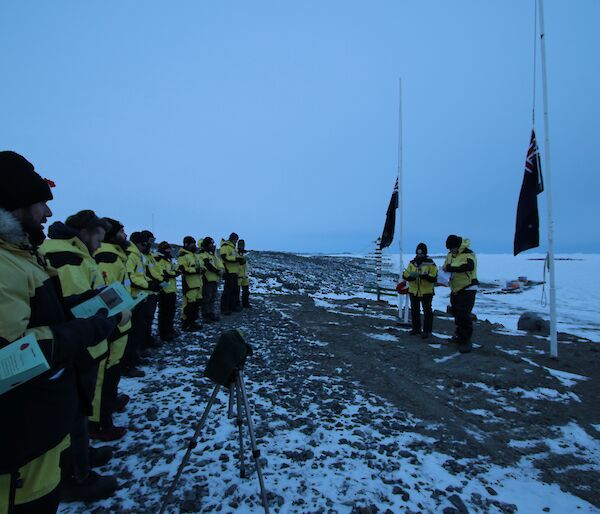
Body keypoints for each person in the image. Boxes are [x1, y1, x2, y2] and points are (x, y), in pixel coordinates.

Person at [0, 151, 123, 514]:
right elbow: (7, 361)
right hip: (15, 463)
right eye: (41, 203)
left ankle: (74, 469)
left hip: (38, 435)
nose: (49, 214)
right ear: (14, 205)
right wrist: (82, 330)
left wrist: (84, 306)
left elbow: (42, 316)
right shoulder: (5, 265)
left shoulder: (20, 256)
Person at [40, 210, 121, 499]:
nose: (101, 245)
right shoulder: (68, 258)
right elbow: (79, 308)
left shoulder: (69, 253)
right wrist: (106, 311)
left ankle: (81, 455)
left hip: (73, 345)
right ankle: (78, 475)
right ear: (85, 232)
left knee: (78, 408)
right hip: (78, 347)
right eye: (99, 236)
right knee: (74, 410)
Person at [92, 218, 133, 440]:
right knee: (104, 372)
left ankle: (110, 402)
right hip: (112, 323)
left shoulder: (116, 255)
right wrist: (116, 316)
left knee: (112, 369)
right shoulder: (108, 257)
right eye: (122, 231)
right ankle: (99, 422)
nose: (125, 235)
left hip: (119, 320)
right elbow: (104, 291)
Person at [443, 235, 478, 353]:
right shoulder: (450, 255)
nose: (450, 251)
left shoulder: (469, 255)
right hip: (455, 288)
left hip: (468, 288)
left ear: (457, 246)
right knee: (457, 313)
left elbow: (469, 267)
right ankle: (459, 336)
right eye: (449, 249)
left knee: (464, 314)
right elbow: (445, 267)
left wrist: (451, 268)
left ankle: (466, 340)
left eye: (452, 248)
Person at [402, 243, 437, 339]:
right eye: (418, 253)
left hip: (426, 291)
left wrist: (423, 276)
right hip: (414, 291)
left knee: (427, 311)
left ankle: (427, 331)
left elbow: (434, 277)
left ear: (425, 253)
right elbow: (405, 274)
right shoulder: (412, 263)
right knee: (414, 310)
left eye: (422, 253)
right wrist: (410, 277)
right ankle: (416, 328)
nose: (420, 255)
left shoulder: (431, 263)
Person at [177, 236, 204, 331]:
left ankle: (193, 321)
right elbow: (183, 269)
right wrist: (196, 270)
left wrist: (202, 269)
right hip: (189, 285)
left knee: (196, 304)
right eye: (192, 244)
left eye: (195, 244)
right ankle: (186, 323)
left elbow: (202, 265)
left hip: (198, 284)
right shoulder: (182, 256)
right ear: (186, 244)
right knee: (188, 305)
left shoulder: (195, 256)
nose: (194, 246)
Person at [155, 241, 179, 341]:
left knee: (171, 311)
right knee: (164, 312)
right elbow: (165, 273)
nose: (169, 251)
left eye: (169, 249)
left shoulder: (168, 259)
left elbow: (175, 269)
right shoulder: (159, 259)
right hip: (164, 290)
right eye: (167, 249)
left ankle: (169, 329)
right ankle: (164, 332)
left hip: (171, 289)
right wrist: (174, 273)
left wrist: (175, 272)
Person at [199, 237, 222, 322]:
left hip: (214, 279)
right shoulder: (202, 255)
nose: (212, 246)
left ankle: (211, 313)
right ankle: (205, 315)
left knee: (212, 298)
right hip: (207, 280)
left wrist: (220, 270)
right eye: (210, 244)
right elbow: (207, 265)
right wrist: (217, 271)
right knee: (206, 298)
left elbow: (218, 263)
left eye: (212, 244)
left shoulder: (212, 255)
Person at [220, 233, 243, 315]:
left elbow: (234, 257)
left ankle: (231, 307)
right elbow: (224, 257)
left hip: (234, 271)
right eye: (236, 240)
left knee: (233, 290)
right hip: (229, 271)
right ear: (233, 239)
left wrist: (240, 259)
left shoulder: (233, 248)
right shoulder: (225, 246)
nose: (236, 242)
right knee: (227, 291)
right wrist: (236, 259)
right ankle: (224, 308)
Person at [237, 239, 251, 309]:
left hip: (245, 275)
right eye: (240, 244)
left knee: (246, 291)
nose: (241, 246)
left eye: (243, 244)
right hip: (238, 275)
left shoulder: (245, 253)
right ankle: (237, 304)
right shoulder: (236, 253)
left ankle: (245, 303)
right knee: (237, 291)